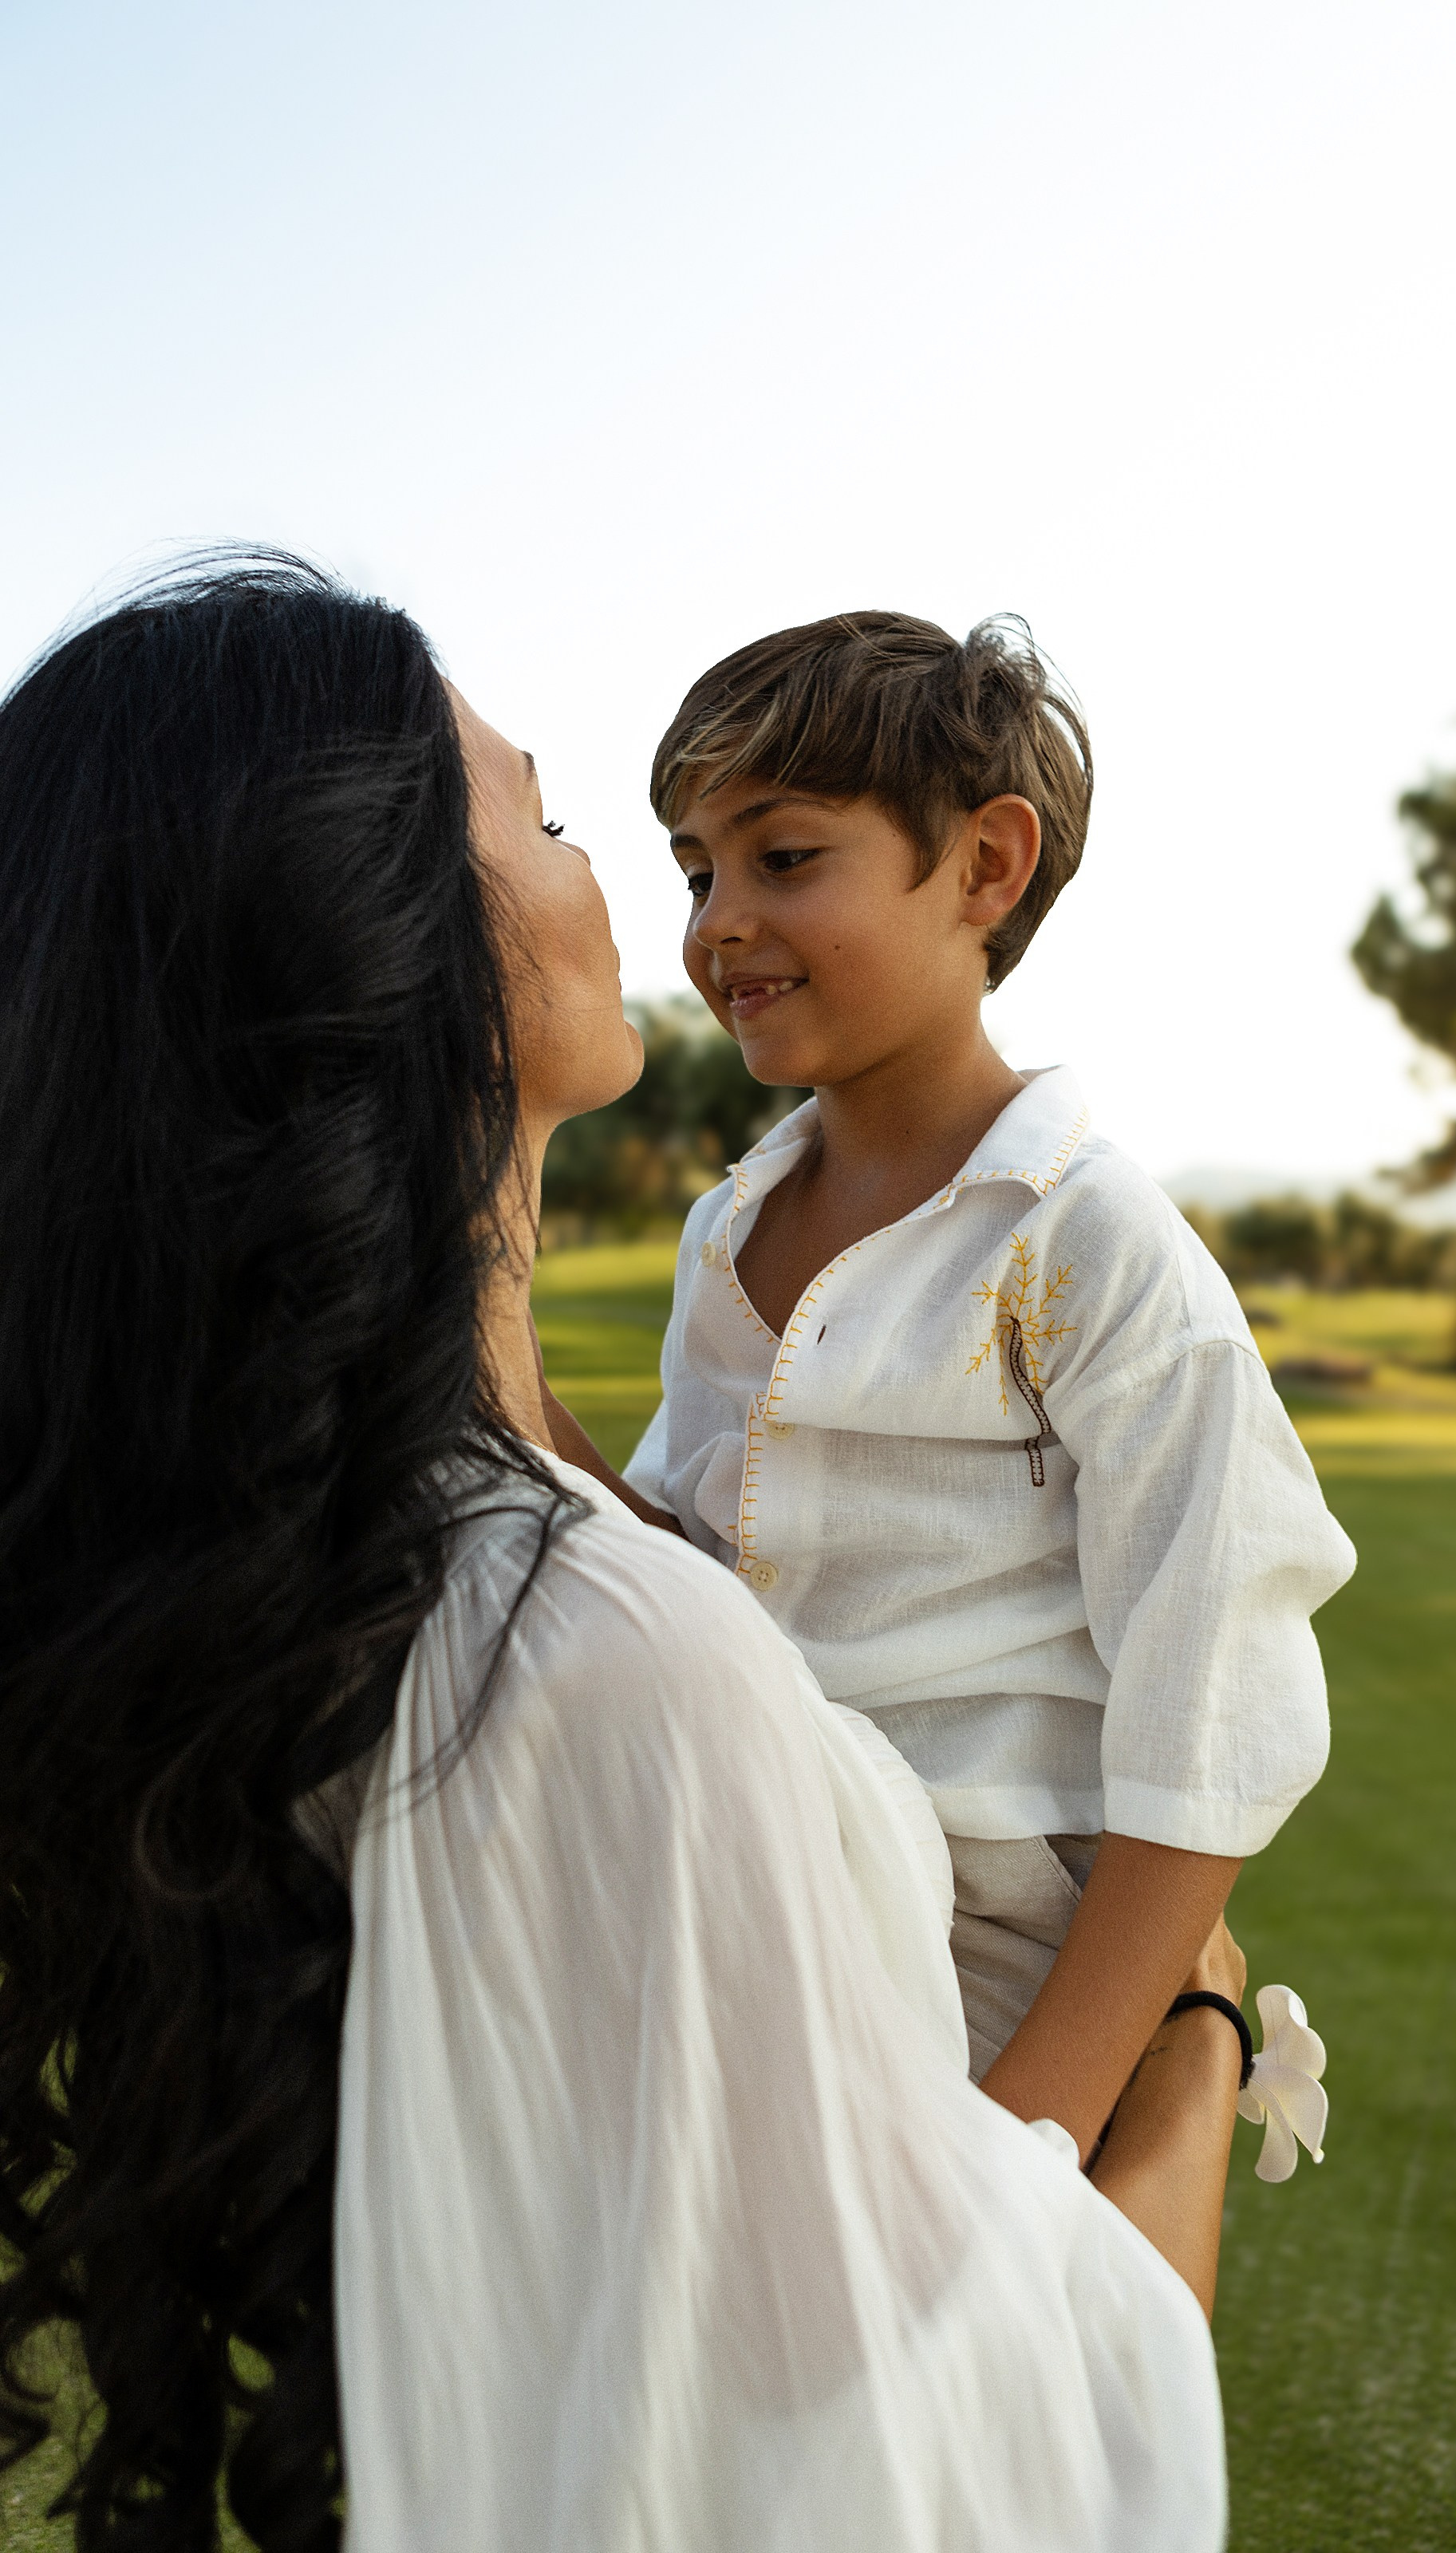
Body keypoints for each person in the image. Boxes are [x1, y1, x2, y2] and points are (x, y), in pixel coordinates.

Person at [0, 558, 1248, 2553]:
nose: (685, 915)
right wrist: (1195, 2043)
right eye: (573, 824)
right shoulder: (593, 1657)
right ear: (404, 929)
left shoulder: (349, 1567)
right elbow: (1002, 2453)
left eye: (776, 852)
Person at [628, 611, 1356, 2155]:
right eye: (696, 870)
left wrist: (1045, 2112)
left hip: (987, 1966)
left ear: (985, 867)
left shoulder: (1087, 1242)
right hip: (754, 1892)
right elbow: (674, 1565)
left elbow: (1214, 1686)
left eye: (782, 857)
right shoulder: (729, 1230)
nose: (715, 924)